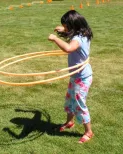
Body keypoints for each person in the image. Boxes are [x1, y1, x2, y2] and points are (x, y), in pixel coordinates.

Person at [48, 10, 94, 143]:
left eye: (67, 26)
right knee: (70, 100)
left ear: (73, 26)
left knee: (79, 103)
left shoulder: (77, 39)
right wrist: (63, 30)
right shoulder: (83, 33)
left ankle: (88, 132)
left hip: (82, 77)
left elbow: (68, 48)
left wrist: (56, 38)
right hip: (76, 75)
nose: (66, 29)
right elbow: (73, 35)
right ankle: (69, 122)